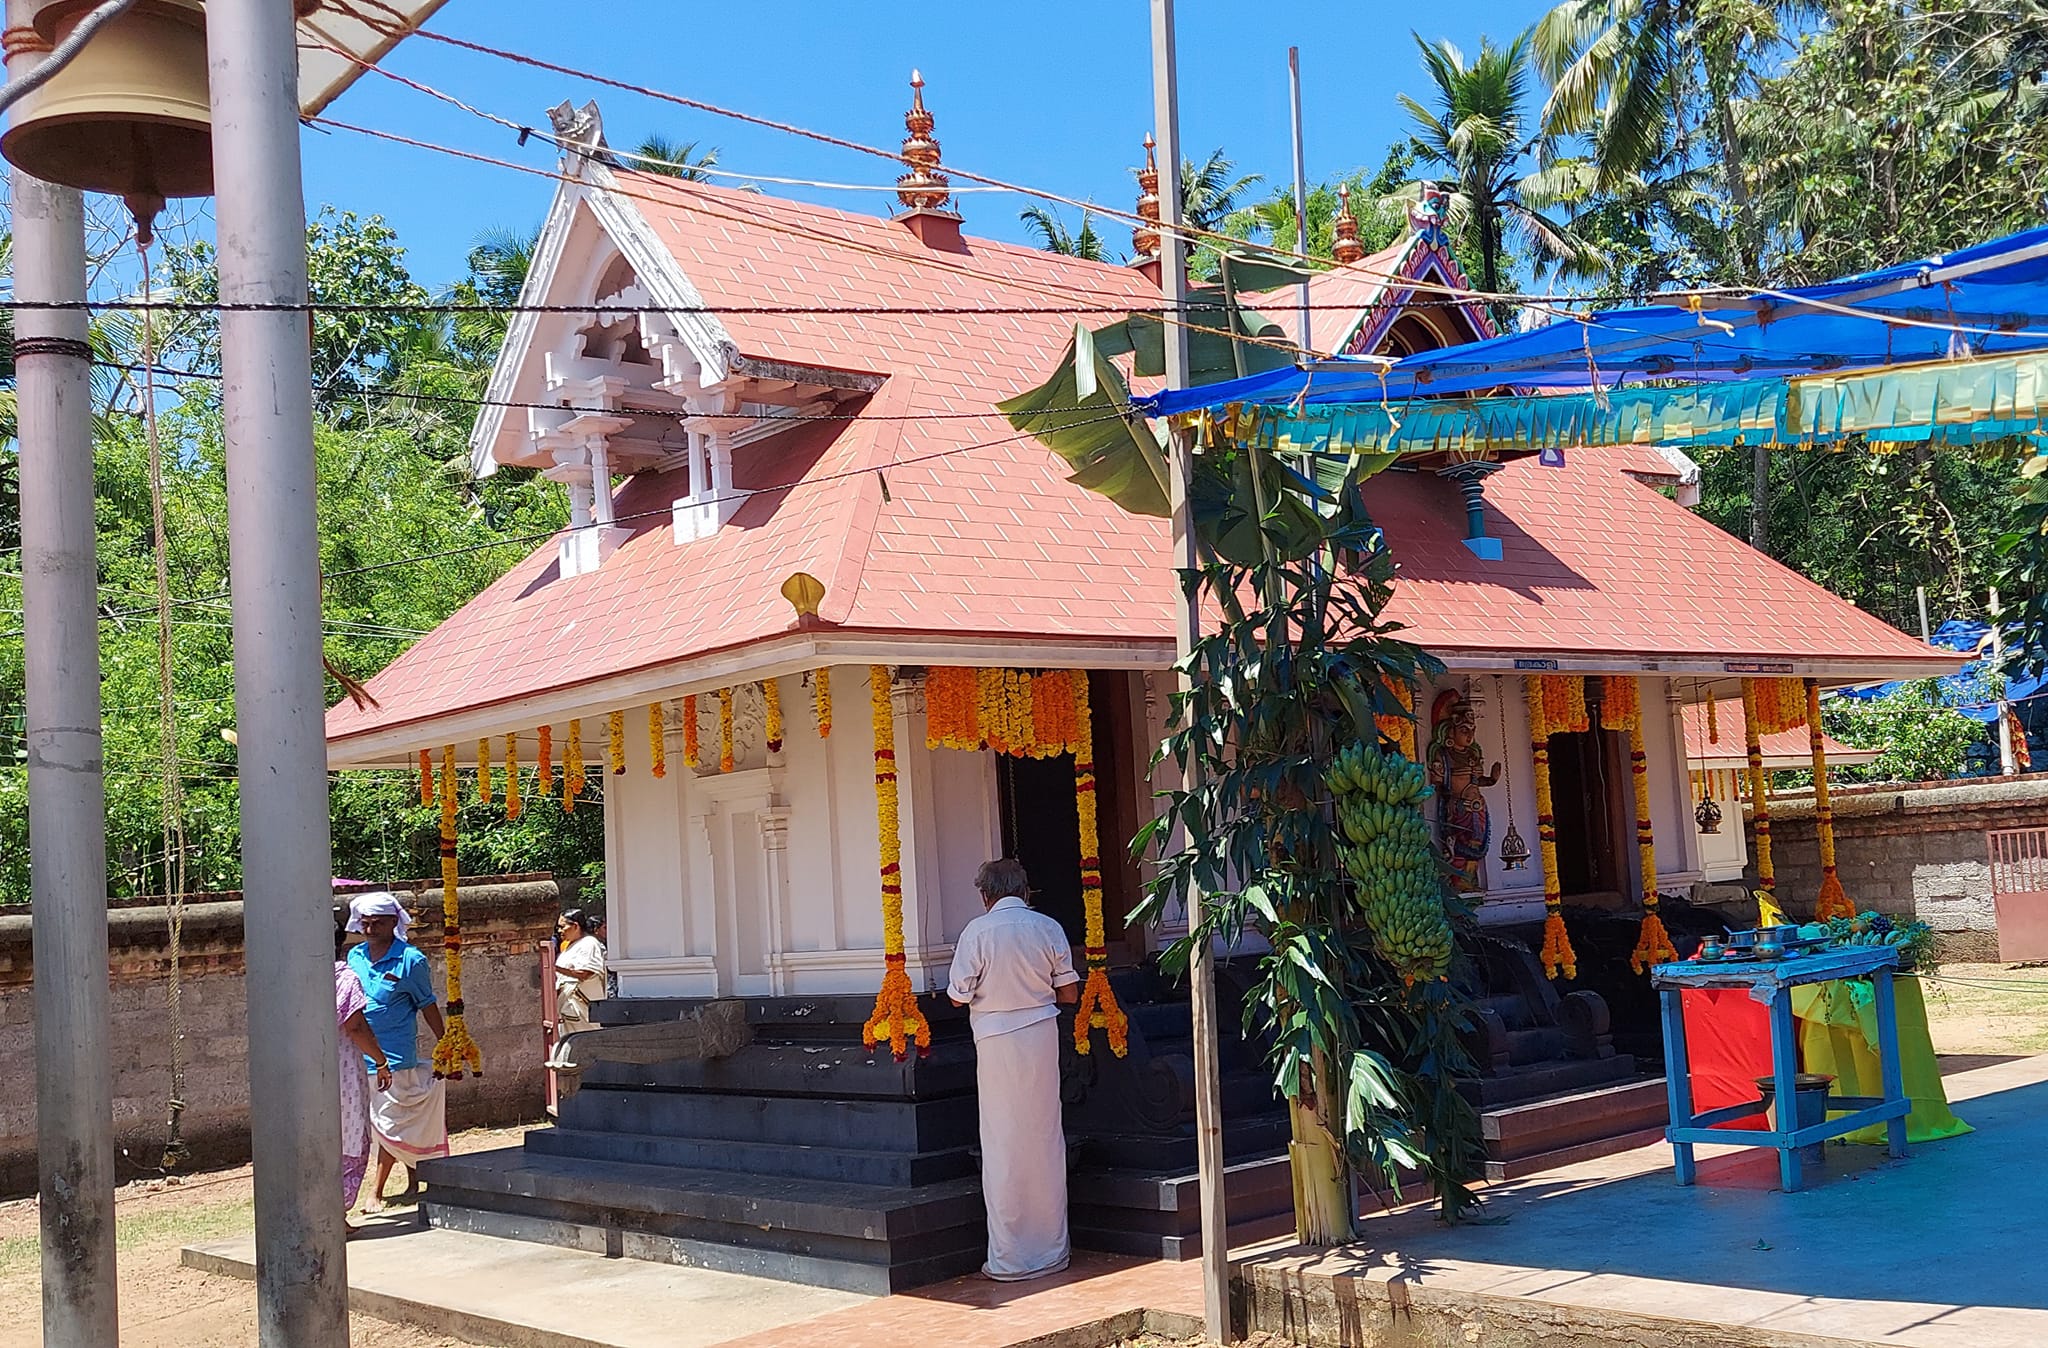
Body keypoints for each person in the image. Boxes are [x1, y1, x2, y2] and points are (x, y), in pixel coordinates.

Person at [945, 858, 1080, 1281]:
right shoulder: (1048, 928)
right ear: (1025, 891)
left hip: (996, 1042)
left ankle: (1009, 1258)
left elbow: (956, 997)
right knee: (1044, 1139)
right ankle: (1052, 1251)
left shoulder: (977, 933)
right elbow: (1070, 993)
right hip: (1040, 1038)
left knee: (1003, 1144)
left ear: (985, 896)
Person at [345, 891, 448, 1209]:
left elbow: (427, 1004)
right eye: (366, 922)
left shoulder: (411, 960)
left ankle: (376, 1192)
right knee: (377, 1124)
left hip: (394, 1058)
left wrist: (447, 1042)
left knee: (391, 1123)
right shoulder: (355, 957)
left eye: (378, 922)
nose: (371, 927)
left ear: (394, 922)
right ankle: (413, 1181)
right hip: (356, 1056)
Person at [334, 916, 392, 1232]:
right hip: (340, 1070)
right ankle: (334, 1214)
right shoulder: (344, 978)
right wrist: (380, 1060)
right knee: (349, 1136)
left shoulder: (291, 976)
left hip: (300, 1071)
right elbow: (354, 1025)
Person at [1427, 689, 1500, 895]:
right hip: (1458, 808)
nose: (1470, 736)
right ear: (1451, 732)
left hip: (1478, 808)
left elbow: (1477, 781)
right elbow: (1438, 784)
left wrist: (1493, 779)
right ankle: (1458, 881)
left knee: (1476, 846)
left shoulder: (1473, 755)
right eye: (1464, 731)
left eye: (1472, 730)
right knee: (1458, 845)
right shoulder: (1444, 755)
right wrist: (1452, 800)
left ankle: (1470, 879)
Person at [548, 908, 608, 1067]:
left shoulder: (589, 944)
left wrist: (553, 968)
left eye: (562, 927)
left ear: (575, 926)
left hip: (582, 1008)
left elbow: (585, 973)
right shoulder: (568, 946)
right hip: (567, 1008)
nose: (560, 931)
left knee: (586, 1048)